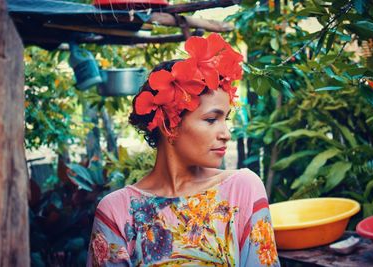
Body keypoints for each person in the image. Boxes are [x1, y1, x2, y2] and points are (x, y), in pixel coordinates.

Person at [87, 33, 280, 267]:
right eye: (211, 120)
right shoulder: (117, 211)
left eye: (225, 119)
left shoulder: (242, 189)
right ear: (170, 124)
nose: (226, 133)